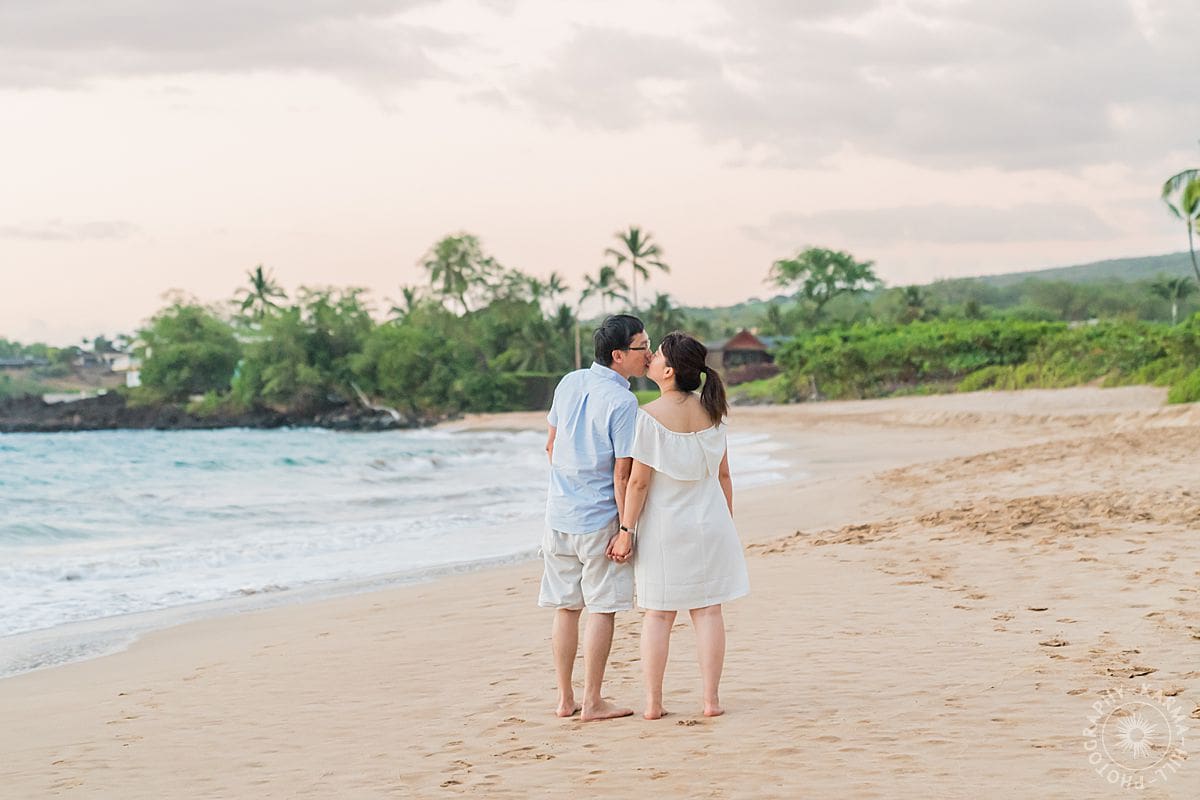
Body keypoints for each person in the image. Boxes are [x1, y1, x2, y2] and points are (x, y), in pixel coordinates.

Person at [608, 331, 749, 720]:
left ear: (668, 371)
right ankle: (711, 701)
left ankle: (653, 704)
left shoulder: (648, 418)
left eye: (657, 357)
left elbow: (638, 482)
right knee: (707, 612)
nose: (649, 358)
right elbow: (724, 476)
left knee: (658, 615)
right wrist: (727, 524)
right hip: (711, 523)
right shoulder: (713, 414)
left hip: (666, 528)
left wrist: (626, 530)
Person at [539, 314, 652, 721]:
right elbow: (623, 472)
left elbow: (551, 446)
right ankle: (593, 701)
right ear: (619, 356)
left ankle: (564, 699)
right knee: (601, 608)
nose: (649, 354)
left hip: (559, 514)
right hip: (599, 516)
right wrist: (626, 529)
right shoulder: (623, 402)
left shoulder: (569, 382)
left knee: (566, 608)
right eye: (642, 348)